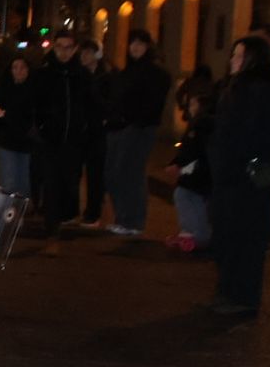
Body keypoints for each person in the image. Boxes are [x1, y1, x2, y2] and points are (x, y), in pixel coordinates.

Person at [205, 36, 270, 318]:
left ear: (254, 59)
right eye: (233, 55)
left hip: (250, 174)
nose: (232, 60)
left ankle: (243, 296)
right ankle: (228, 289)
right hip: (229, 173)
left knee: (248, 237)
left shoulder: (267, 90)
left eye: (239, 56)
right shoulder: (233, 87)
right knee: (227, 233)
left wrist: (244, 150)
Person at [103, 29, 172, 237]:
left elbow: (151, 102)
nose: (135, 47)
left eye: (140, 43)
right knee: (116, 173)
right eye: (133, 43)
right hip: (123, 127)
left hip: (141, 128)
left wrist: (136, 118)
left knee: (130, 172)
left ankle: (133, 220)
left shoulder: (155, 73)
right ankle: (124, 218)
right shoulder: (127, 72)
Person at [34, 29, 91, 253]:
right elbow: (35, 105)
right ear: (53, 47)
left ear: (75, 49)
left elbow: (91, 105)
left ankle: (64, 218)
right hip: (50, 142)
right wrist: (41, 128)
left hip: (74, 143)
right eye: (60, 47)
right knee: (51, 186)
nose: (64, 52)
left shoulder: (82, 75)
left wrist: (86, 129)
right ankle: (52, 234)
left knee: (70, 184)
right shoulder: (45, 74)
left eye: (68, 47)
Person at [164, 89, 213, 253]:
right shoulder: (202, 123)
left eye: (193, 104)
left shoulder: (200, 124)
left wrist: (177, 165)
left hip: (200, 171)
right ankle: (190, 232)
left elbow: (192, 149)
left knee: (185, 195)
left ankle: (197, 235)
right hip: (202, 171)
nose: (189, 107)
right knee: (188, 196)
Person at [0, 55, 37, 199]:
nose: (19, 71)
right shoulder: (4, 89)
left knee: (24, 184)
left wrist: (8, 115)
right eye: (15, 68)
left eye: (22, 67)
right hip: (7, 143)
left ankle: (20, 215)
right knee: (9, 184)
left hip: (27, 144)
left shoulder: (33, 90)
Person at [76, 40, 112, 229]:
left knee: (95, 173)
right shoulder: (79, 75)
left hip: (97, 130)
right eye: (82, 53)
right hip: (80, 129)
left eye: (88, 53)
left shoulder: (104, 77)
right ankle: (76, 210)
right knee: (75, 171)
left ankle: (93, 212)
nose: (84, 57)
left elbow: (106, 103)